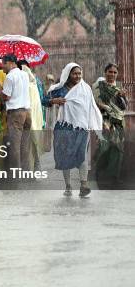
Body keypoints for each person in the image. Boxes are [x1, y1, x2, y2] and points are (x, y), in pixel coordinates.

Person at [43, 63, 102, 197]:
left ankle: (83, 185)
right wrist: (54, 101)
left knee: (81, 156)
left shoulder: (85, 88)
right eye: (75, 73)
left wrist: (94, 125)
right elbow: (44, 100)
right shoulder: (59, 89)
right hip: (64, 127)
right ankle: (68, 186)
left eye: (79, 73)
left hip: (81, 127)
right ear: (68, 74)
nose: (78, 76)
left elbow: (90, 106)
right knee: (65, 156)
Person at [92, 63, 128, 184]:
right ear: (105, 72)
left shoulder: (118, 88)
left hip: (118, 122)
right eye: (110, 72)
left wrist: (122, 97)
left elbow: (123, 107)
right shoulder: (97, 86)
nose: (112, 74)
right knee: (104, 147)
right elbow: (93, 103)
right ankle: (98, 173)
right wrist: (102, 106)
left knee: (118, 149)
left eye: (114, 72)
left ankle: (113, 176)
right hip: (103, 120)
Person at [0, 54, 32, 172]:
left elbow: (6, 97)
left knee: (14, 146)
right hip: (27, 113)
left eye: (3, 63)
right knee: (24, 145)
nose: (2, 66)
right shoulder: (25, 74)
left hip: (16, 114)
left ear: (9, 62)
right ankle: (26, 172)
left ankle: (15, 176)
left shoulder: (9, 77)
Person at [18, 60, 44, 172]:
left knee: (26, 144)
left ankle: (29, 169)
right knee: (33, 143)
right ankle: (33, 166)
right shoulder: (35, 82)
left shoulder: (27, 83)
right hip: (36, 117)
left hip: (27, 116)